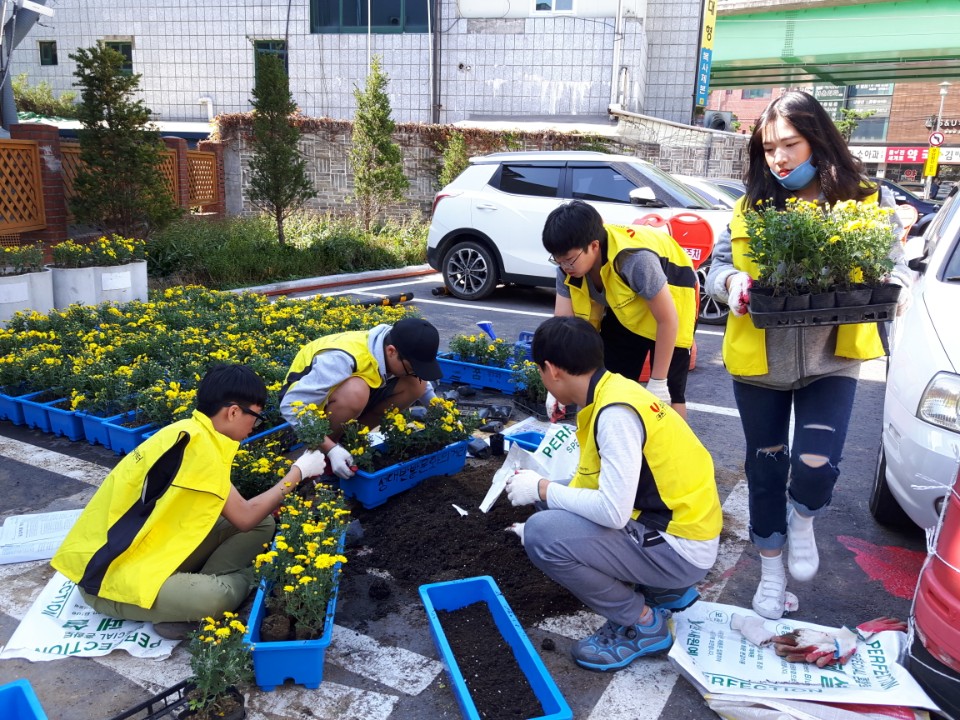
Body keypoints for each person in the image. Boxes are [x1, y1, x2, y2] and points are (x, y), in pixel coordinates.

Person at [705, 91, 912, 620]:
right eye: (769, 147)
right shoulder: (752, 206)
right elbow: (717, 270)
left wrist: (896, 281)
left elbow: (895, 264)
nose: (779, 158)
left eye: (790, 145)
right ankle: (771, 574)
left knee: (816, 464)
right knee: (765, 470)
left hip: (833, 360)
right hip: (758, 365)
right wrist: (734, 284)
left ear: (817, 140)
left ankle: (804, 519)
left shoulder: (866, 202)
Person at [504, 316, 722, 672]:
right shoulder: (614, 390)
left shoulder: (615, 415)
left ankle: (642, 623)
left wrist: (542, 488)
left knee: (544, 533)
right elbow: (594, 484)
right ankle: (664, 591)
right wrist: (547, 492)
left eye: (541, 372)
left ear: (552, 370)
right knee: (551, 501)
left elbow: (612, 512)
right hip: (682, 530)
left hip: (681, 549)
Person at [52, 364, 327, 639]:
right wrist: (298, 473)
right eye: (255, 417)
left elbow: (246, 515)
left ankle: (188, 600)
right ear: (233, 412)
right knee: (215, 598)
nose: (255, 425)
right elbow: (244, 516)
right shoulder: (200, 448)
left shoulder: (190, 433)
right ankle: (229, 589)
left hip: (147, 551)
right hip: (107, 579)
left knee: (263, 524)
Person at [541, 200, 698, 419]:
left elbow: (668, 320)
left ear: (594, 245)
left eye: (569, 260)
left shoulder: (634, 260)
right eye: (558, 261)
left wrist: (658, 381)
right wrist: (557, 386)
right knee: (609, 380)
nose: (565, 267)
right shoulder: (567, 268)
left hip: (672, 301)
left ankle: (677, 448)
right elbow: (563, 328)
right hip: (625, 309)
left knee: (671, 392)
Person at [279, 316, 442, 478]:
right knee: (355, 392)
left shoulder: (390, 346)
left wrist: (444, 414)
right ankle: (322, 455)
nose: (414, 373)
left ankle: (350, 445)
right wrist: (331, 449)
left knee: (417, 384)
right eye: (412, 367)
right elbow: (290, 405)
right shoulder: (340, 359)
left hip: (345, 397)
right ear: (391, 351)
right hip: (309, 404)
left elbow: (423, 384)